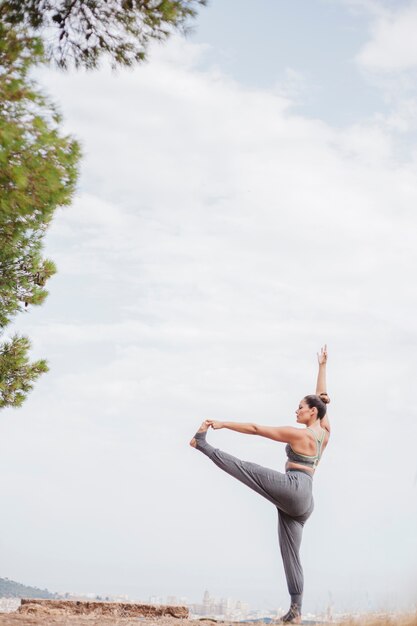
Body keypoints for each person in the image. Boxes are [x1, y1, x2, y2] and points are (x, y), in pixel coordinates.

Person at [190, 345, 331, 624]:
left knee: (246, 470)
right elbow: (325, 400)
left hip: (294, 488)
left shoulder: (297, 434)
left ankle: (202, 445)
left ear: (312, 412)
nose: (296, 410)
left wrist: (223, 423)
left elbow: (256, 429)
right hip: (305, 500)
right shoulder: (324, 433)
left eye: (300, 407)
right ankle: (295, 611)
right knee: (290, 553)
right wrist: (322, 368)